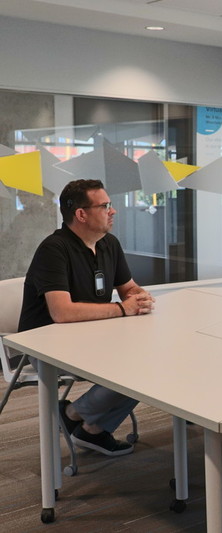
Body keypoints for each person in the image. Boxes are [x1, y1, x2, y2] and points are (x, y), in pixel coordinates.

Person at [19, 179, 155, 457]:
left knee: (151, 359)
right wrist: (122, 309)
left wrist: (140, 296)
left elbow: (128, 288)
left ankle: (84, 423)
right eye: (105, 205)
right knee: (134, 366)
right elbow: (61, 312)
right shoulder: (53, 249)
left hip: (94, 336)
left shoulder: (109, 244)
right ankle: (79, 418)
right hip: (46, 344)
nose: (113, 211)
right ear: (81, 214)